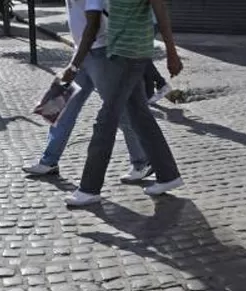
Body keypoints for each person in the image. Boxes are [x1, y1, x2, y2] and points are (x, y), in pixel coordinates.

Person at [61, 0, 183, 206]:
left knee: (106, 120)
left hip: (130, 54)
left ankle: (89, 188)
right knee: (139, 115)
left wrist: (172, 52)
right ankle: (168, 175)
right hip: (123, 52)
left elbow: (160, 10)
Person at [22, 0, 151, 182]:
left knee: (118, 111)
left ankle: (142, 161)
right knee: (64, 108)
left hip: (99, 54)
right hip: (84, 53)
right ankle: (49, 160)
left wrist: (73, 66)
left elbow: (94, 25)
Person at [144, 10, 171, 104]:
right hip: (143, 22)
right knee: (142, 57)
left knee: (141, 57)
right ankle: (149, 94)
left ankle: (161, 84)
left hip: (146, 22)